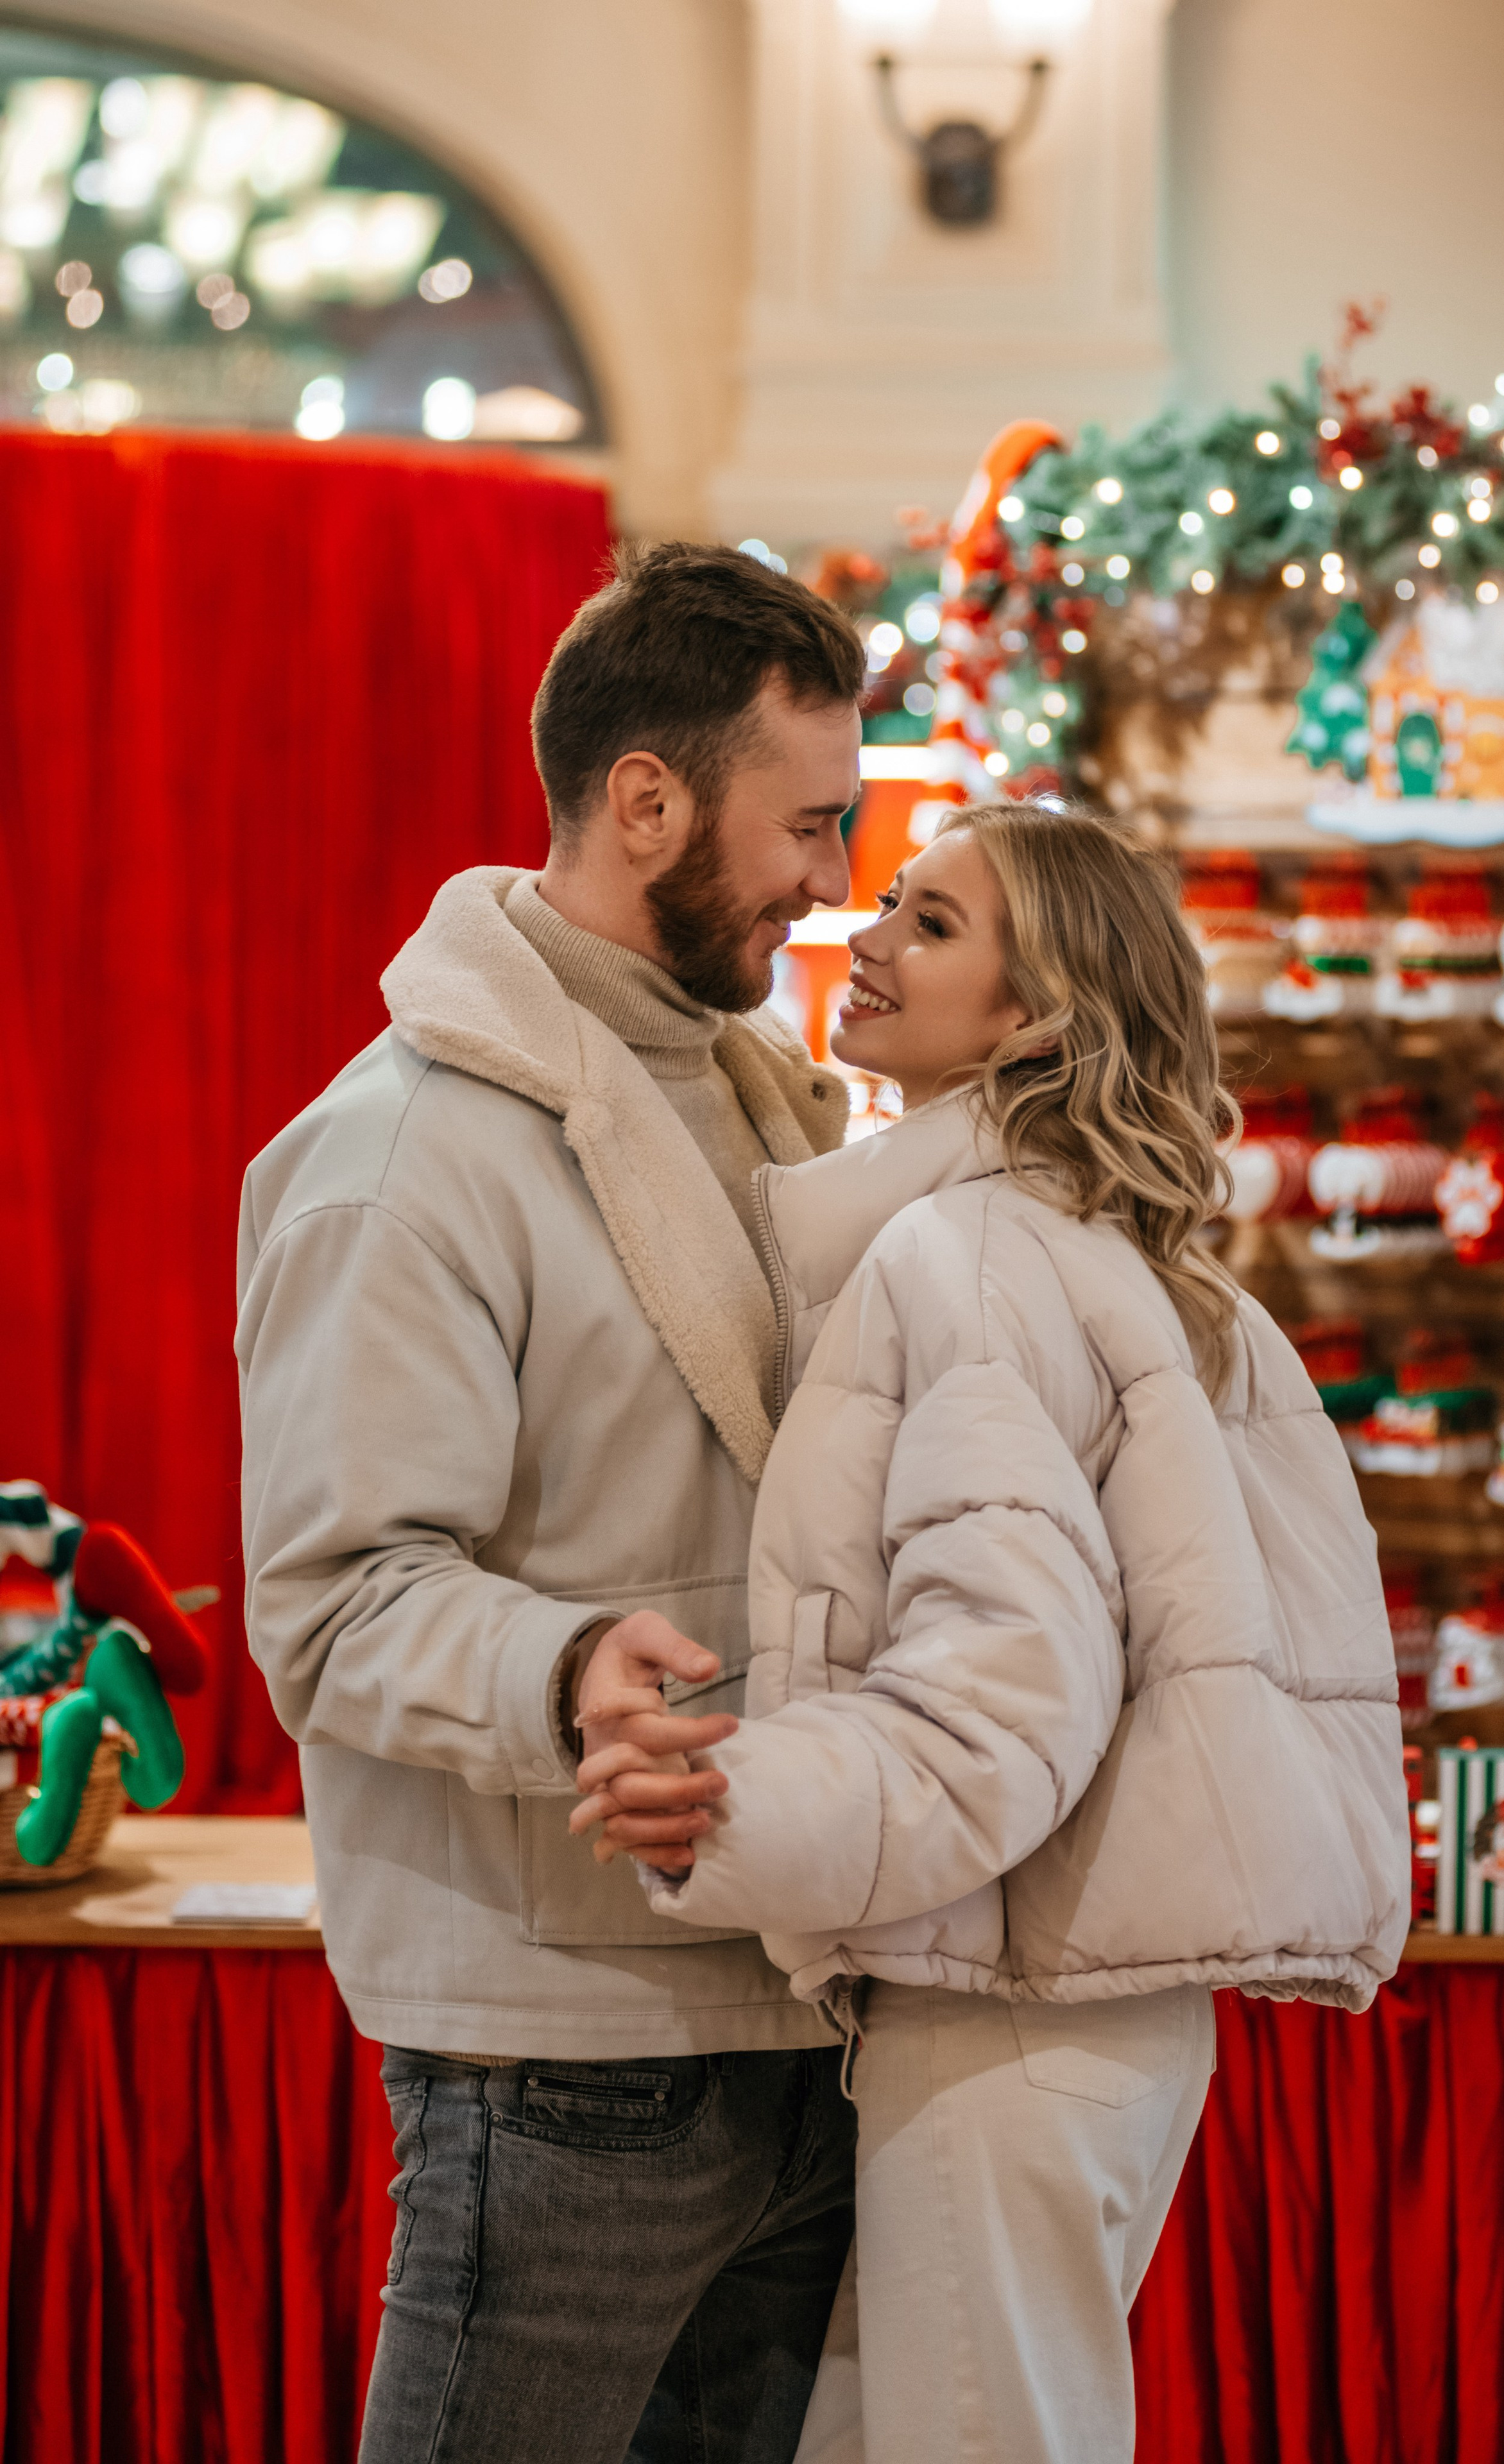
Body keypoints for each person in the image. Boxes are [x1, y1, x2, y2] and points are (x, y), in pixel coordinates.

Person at [573, 803, 1410, 2464]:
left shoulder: (966, 1257)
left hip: (1008, 2008)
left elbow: (1008, 1687)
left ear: (1033, 1019)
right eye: (884, 895)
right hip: (1083, 2007)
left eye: (934, 923)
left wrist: (733, 1806)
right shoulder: (1155, 1277)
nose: (869, 935)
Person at [235, 541, 871, 2464]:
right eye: (811, 823)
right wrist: (578, 1661)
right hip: (562, 2045)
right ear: (647, 798)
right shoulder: (402, 1154)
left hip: (796, 2009)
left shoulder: (755, 1095)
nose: (833, 883)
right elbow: (333, 1603)